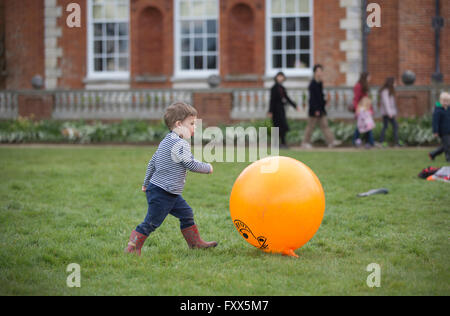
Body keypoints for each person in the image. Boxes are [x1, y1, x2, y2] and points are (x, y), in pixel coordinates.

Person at [124, 102, 217, 256]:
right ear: (179, 124)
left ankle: (195, 243)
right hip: (162, 192)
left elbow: (152, 162)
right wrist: (207, 168)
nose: (195, 127)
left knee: (186, 213)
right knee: (152, 222)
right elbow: (190, 163)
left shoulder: (167, 140)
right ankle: (132, 248)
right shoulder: (180, 144)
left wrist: (146, 183)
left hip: (168, 191)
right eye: (192, 123)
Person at [302, 64, 341, 148]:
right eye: (318, 71)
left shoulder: (320, 83)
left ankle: (331, 142)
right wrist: (316, 109)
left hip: (321, 109)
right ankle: (305, 142)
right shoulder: (312, 84)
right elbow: (312, 99)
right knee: (310, 126)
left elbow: (320, 96)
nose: (319, 73)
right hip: (314, 110)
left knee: (325, 126)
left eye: (321, 71)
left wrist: (324, 102)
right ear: (315, 72)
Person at [268, 72, 299, 148]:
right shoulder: (274, 88)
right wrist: (270, 111)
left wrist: (294, 105)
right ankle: (275, 144)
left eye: (281, 77)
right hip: (275, 110)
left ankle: (283, 143)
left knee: (283, 126)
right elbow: (272, 100)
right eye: (279, 76)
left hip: (281, 109)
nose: (280, 78)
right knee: (276, 127)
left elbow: (287, 98)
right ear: (276, 78)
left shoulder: (282, 88)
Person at [379, 77, 400, 146]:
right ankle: (394, 142)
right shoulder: (385, 91)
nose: (395, 84)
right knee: (393, 126)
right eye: (394, 82)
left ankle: (384, 141)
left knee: (387, 126)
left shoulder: (389, 91)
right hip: (387, 113)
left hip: (389, 112)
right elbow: (386, 103)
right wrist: (389, 113)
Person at [430, 92, 450, 162]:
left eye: (447, 101)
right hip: (443, 131)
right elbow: (435, 122)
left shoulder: (448, 109)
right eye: (444, 101)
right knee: (447, 145)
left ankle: (433, 154)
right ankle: (448, 158)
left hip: (449, 130)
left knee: (445, 145)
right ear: (440, 101)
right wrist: (435, 131)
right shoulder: (438, 110)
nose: (445, 103)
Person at [352, 72, 371, 147]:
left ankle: (368, 142)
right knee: (361, 126)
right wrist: (357, 109)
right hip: (361, 110)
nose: (370, 79)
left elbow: (367, 100)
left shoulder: (365, 86)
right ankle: (357, 141)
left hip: (366, 110)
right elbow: (356, 99)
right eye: (369, 77)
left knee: (367, 126)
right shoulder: (358, 86)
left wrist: (370, 109)